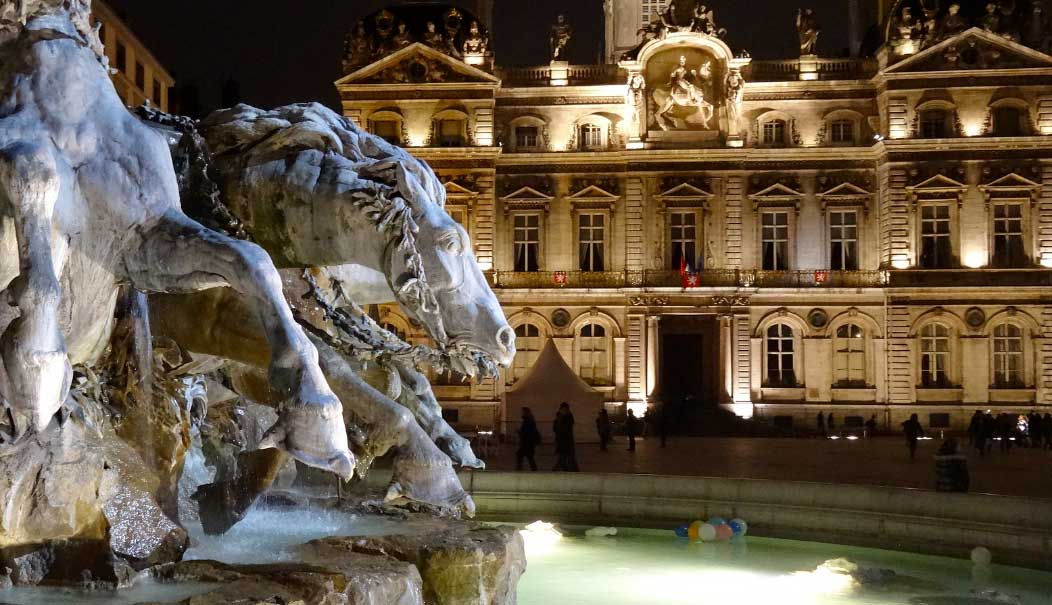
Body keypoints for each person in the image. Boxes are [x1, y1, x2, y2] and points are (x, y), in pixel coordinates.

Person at [552, 402, 579, 471]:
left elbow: (566, 429)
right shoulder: (558, 417)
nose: (564, 411)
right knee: (564, 457)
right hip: (560, 441)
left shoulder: (569, 417)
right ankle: (565, 469)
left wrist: (561, 422)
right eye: (562, 409)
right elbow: (554, 428)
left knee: (568, 457)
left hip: (567, 441)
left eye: (565, 409)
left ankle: (571, 470)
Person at [516, 407, 541, 471]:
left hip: (527, 443)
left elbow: (527, 432)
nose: (522, 413)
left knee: (522, 455)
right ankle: (531, 469)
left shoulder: (527, 421)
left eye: (523, 412)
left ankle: (519, 469)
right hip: (528, 443)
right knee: (528, 456)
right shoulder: (529, 420)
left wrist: (519, 432)